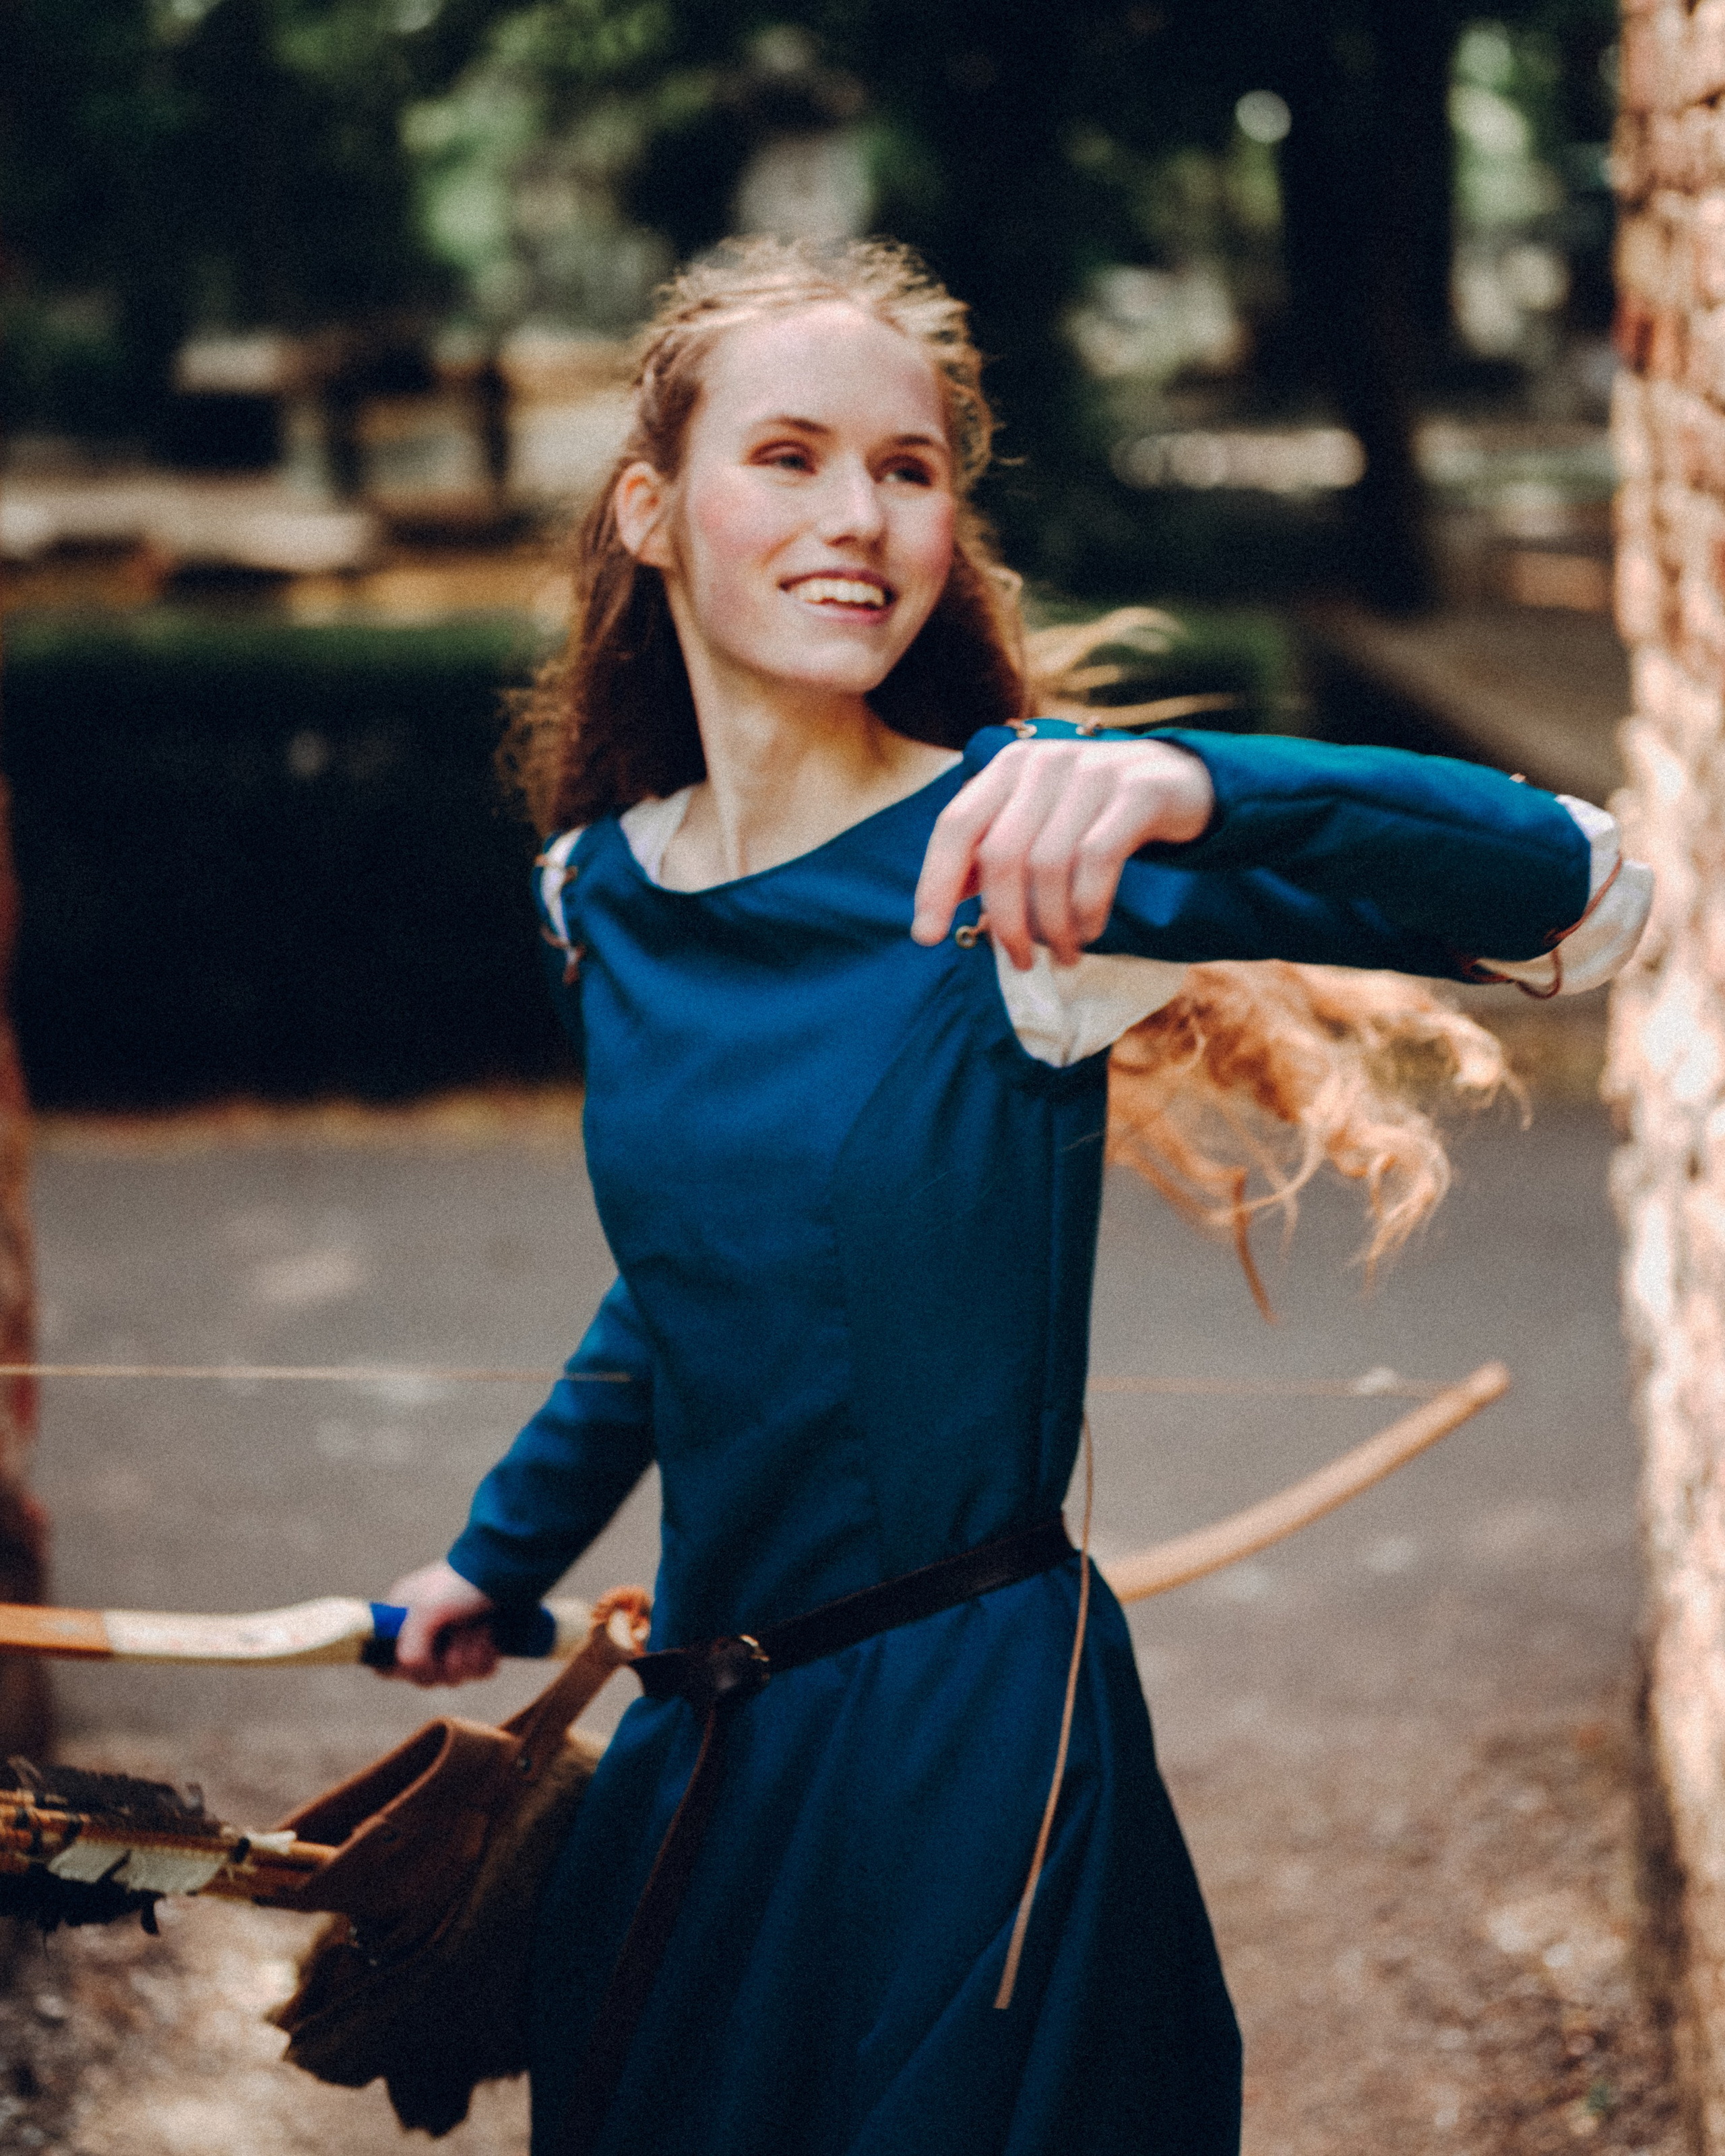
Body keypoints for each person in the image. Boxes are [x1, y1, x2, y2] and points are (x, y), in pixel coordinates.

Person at [384, 236, 1652, 2156]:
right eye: (790, 456)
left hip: (973, 1758)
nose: (861, 517)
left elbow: (1597, 900)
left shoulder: (1029, 847)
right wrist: (494, 1558)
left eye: (909, 469)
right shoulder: (599, 893)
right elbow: (694, 1282)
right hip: (700, 1758)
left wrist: (1184, 788)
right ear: (652, 510)